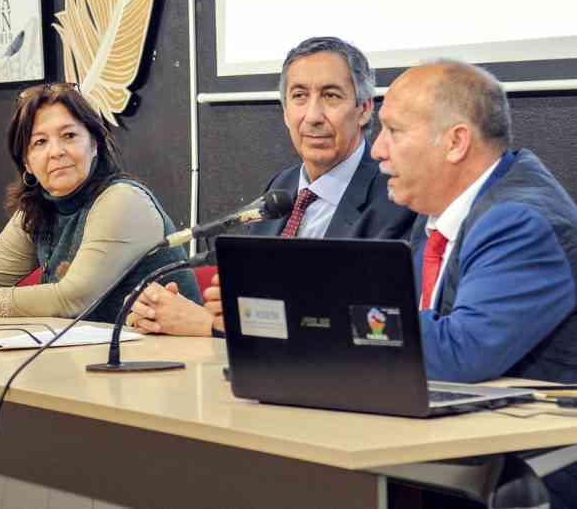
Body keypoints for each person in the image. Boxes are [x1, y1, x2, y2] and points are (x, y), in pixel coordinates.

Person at [372, 60, 577, 508]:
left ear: (455, 142)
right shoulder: (436, 211)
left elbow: (461, 352)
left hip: (533, 471)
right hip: (460, 449)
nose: (377, 150)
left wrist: (338, 324)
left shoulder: (519, 220)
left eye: (393, 131)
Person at [127, 36, 415, 336]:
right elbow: (250, 304)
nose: (313, 116)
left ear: (364, 109)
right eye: (299, 96)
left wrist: (212, 326)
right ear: (285, 112)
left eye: (331, 96)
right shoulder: (282, 188)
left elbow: (367, 324)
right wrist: (166, 312)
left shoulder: (395, 197)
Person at [0, 82, 200, 321]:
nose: (56, 152)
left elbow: (71, 299)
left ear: (94, 144)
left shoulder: (123, 200)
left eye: (69, 136)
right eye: (40, 142)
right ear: (27, 162)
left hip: (168, 364)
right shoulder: (40, 205)